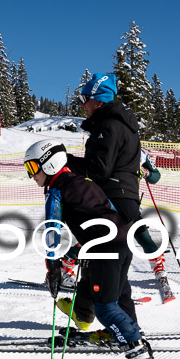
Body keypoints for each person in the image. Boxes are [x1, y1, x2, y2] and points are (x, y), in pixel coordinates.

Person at [24, 139, 159, 359]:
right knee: (117, 302)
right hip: (119, 244)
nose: (31, 175)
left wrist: (53, 265)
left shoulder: (57, 190)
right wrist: (78, 250)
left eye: (33, 168)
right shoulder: (80, 181)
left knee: (106, 309)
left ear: (49, 164)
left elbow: (53, 232)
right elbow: (102, 214)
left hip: (106, 249)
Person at [63, 72, 142, 330]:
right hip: (124, 200)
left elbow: (99, 170)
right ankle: (98, 316)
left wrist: (65, 161)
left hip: (114, 200)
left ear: (98, 100)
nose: (82, 105)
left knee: (104, 260)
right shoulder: (118, 124)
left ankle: (115, 325)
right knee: (112, 267)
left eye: (85, 99)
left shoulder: (108, 126)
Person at [136, 149, 175, 303]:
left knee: (144, 237)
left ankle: (160, 273)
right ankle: (67, 264)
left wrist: (144, 173)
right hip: (106, 202)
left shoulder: (141, 153)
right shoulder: (108, 143)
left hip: (129, 202)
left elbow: (155, 176)